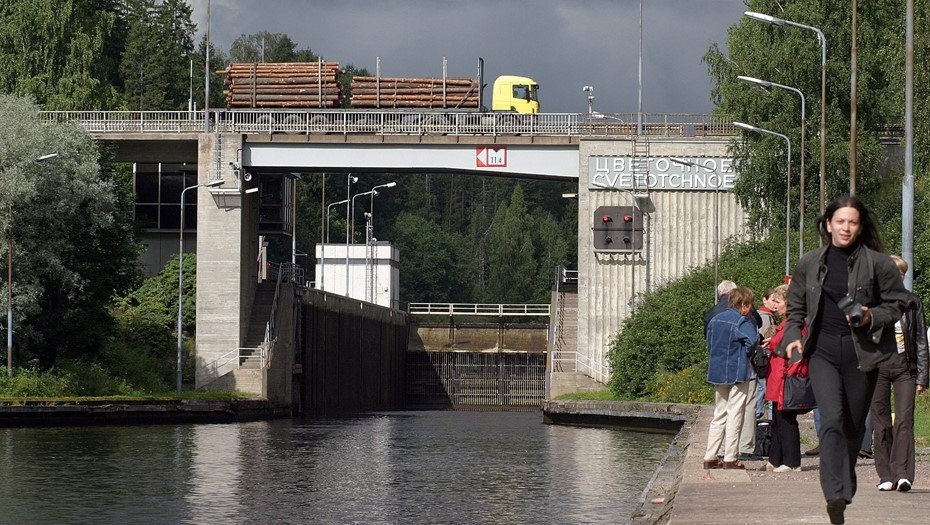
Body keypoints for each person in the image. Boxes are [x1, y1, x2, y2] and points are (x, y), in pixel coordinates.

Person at [780, 195, 910, 525]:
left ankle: (846, 479)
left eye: (852, 222)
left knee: (853, 426)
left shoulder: (879, 264)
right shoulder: (810, 262)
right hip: (822, 351)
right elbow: (795, 307)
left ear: (860, 226)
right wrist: (794, 334)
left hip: (862, 355)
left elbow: (898, 304)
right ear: (828, 225)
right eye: (840, 221)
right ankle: (834, 495)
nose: (846, 227)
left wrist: (871, 316)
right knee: (832, 420)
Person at [870, 255, 929, 492]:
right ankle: (885, 475)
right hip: (877, 369)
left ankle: (903, 474)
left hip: (905, 368)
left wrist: (923, 376)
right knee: (881, 423)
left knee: (905, 420)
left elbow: (921, 341)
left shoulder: (912, 302)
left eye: (902, 272)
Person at [702, 286, 759, 470]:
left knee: (719, 413)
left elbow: (709, 345)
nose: (750, 309)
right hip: (737, 371)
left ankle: (710, 456)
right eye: (749, 305)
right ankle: (730, 457)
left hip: (717, 371)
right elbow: (752, 342)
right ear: (743, 304)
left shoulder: (714, 320)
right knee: (736, 413)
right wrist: (745, 354)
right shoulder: (742, 322)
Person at [762, 284, 803, 472]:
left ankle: (792, 461)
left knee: (786, 419)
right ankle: (775, 458)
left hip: (785, 377)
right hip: (778, 376)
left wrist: (792, 374)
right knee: (778, 419)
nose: (775, 305)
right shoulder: (786, 323)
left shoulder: (793, 324)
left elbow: (797, 352)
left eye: (778, 302)